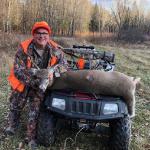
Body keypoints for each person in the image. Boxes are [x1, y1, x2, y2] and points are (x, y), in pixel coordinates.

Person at [5, 21, 68, 148]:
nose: (41, 36)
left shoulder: (55, 49)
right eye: (38, 33)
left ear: (48, 35)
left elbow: (65, 65)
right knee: (16, 104)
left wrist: (53, 71)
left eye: (44, 33)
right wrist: (34, 81)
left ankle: (30, 136)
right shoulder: (24, 48)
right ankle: (12, 126)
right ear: (33, 35)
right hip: (24, 80)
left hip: (41, 83)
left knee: (35, 110)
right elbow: (18, 70)